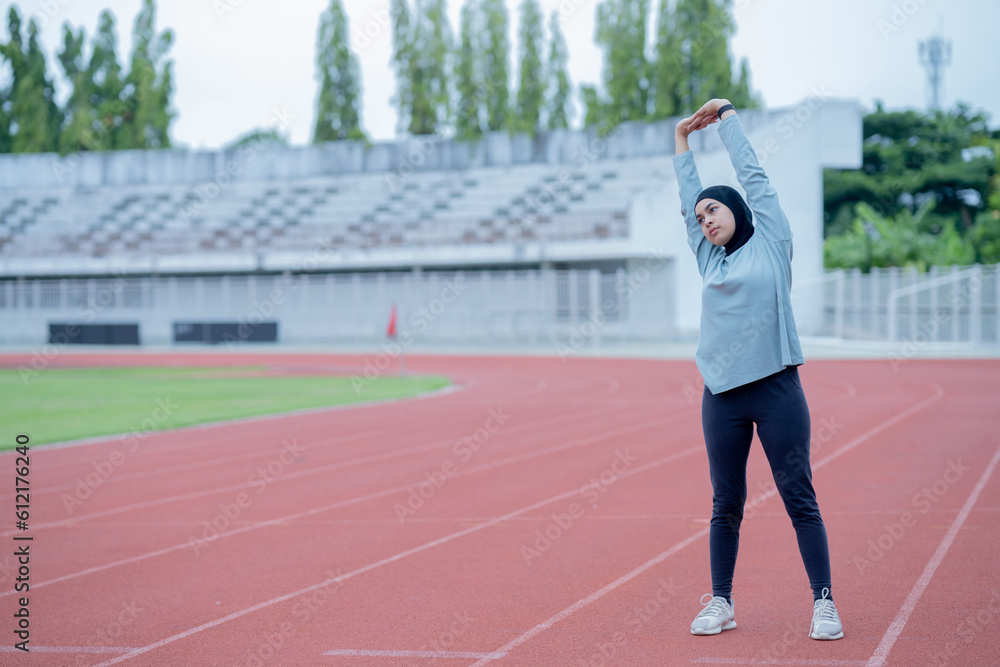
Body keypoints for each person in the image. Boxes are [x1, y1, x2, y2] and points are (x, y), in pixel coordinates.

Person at [672, 98, 843, 640]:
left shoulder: (771, 243)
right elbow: (684, 202)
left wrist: (725, 119)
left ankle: (824, 603)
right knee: (726, 504)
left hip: (776, 390)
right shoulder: (708, 259)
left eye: (713, 211)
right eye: (700, 218)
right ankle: (721, 601)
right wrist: (680, 142)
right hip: (720, 396)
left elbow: (754, 175)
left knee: (799, 497)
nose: (705, 220)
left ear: (737, 210)